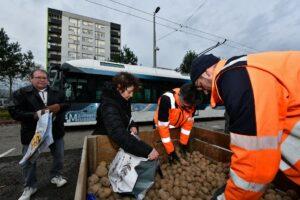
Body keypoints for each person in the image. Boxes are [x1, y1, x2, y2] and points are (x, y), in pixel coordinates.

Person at [190, 52, 300, 200]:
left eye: (199, 85)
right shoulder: (240, 72)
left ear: (208, 72)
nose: (203, 91)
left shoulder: (236, 79)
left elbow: (254, 162)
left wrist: (229, 197)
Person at [8, 69, 69, 200]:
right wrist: (34, 115)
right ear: (31, 79)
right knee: (29, 160)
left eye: (44, 78)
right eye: (38, 77)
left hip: (55, 132)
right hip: (32, 134)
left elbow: (67, 104)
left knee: (59, 156)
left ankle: (56, 176)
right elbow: (14, 112)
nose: (42, 80)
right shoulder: (21, 93)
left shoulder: (57, 92)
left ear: (48, 80)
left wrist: (58, 106)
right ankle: (30, 186)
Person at [93, 72, 159, 160]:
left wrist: (132, 125)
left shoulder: (123, 100)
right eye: (129, 92)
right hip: (103, 144)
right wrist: (147, 150)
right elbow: (118, 133)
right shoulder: (108, 105)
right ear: (119, 87)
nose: (131, 95)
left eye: (133, 92)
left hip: (120, 144)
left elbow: (128, 117)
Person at [154, 83, 197, 164]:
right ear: (180, 96)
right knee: (161, 147)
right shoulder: (166, 100)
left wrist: (183, 144)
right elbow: (163, 129)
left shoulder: (193, 101)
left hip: (177, 126)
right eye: (186, 106)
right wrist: (171, 152)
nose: (189, 108)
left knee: (176, 145)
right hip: (161, 126)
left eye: (190, 106)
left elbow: (187, 125)